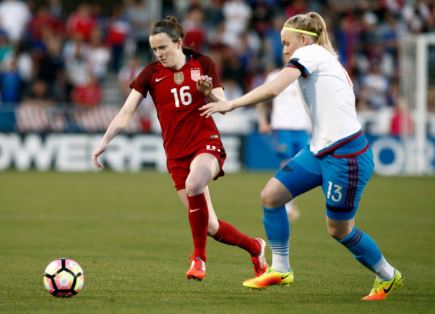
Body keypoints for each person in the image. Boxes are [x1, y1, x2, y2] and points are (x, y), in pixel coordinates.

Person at [200, 12, 403, 300]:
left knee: (340, 230)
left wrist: (231, 104)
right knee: (271, 197)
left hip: (346, 157)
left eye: (286, 43)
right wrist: (219, 99)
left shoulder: (311, 53)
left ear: (304, 39)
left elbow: (274, 88)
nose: (283, 49)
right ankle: (281, 268)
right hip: (320, 150)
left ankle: (387, 274)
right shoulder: (321, 59)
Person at [92, 16, 267, 281]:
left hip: (206, 143)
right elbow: (127, 112)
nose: (158, 54)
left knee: (195, 182)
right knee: (210, 226)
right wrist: (104, 141)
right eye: (154, 49)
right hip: (176, 155)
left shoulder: (202, 63)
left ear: (179, 43)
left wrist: (207, 92)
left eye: (163, 47)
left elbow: (222, 105)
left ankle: (199, 259)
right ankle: (255, 247)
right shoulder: (150, 74)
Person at [256, 54, 311, 221]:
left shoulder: (306, 76)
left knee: (299, 167)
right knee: (287, 164)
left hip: (302, 128)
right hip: (282, 128)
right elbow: (261, 99)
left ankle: (287, 201)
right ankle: (286, 203)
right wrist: (262, 121)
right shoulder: (274, 76)